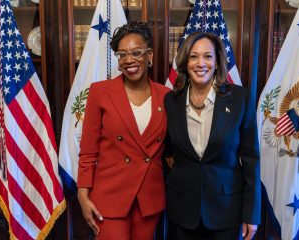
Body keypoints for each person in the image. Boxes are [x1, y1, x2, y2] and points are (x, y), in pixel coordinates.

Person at [77, 22, 170, 240]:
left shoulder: (166, 96)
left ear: (150, 55)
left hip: (149, 198)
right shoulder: (100, 92)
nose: (128, 60)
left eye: (136, 53)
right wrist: (83, 195)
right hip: (110, 195)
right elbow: (88, 150)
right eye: (122, 55)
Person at [164, 32, 261, 240]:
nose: (201, 63)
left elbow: (252, 161)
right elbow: (166, 152)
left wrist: (251, 214)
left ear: (217, 62)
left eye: (208, 56)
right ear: (185, 62)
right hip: (182, 211)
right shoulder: (171, 101)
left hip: (226, 211)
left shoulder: (240, 99)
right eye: (193, 56)